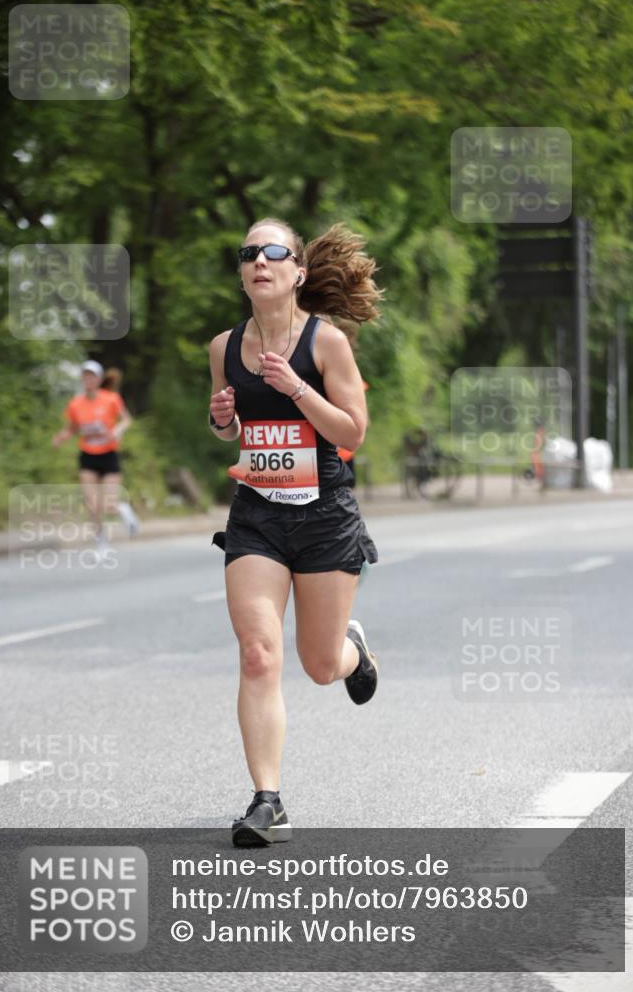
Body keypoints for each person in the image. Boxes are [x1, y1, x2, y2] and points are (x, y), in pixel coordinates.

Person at [209, 219, 383, 847]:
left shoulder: (326, 342)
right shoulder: (224, 346)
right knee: (258, 652)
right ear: (243, 272)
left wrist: (296, 387)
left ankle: (353, 653)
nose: (260, 260)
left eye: (273, 251)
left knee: (317, 664)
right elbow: (227, 428)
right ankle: (267, 801)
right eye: (248, 252)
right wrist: (221, 417)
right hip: (257, 514)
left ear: (298, 271)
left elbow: (352, 433)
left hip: (324, 515)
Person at [52, 360, 139, 556]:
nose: (88, 379)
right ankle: (100, 544)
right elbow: (72, 428)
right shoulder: (76, 404)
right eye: (85, 375)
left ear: (99, 379)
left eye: (92, 376)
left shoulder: (111, 399)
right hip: (88, 456)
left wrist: (117, 431)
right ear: (82, 379)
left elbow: (126, 419)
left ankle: (123, 509)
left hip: (108, 455)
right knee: (91, 504)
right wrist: (60, 438)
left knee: (108, 504)